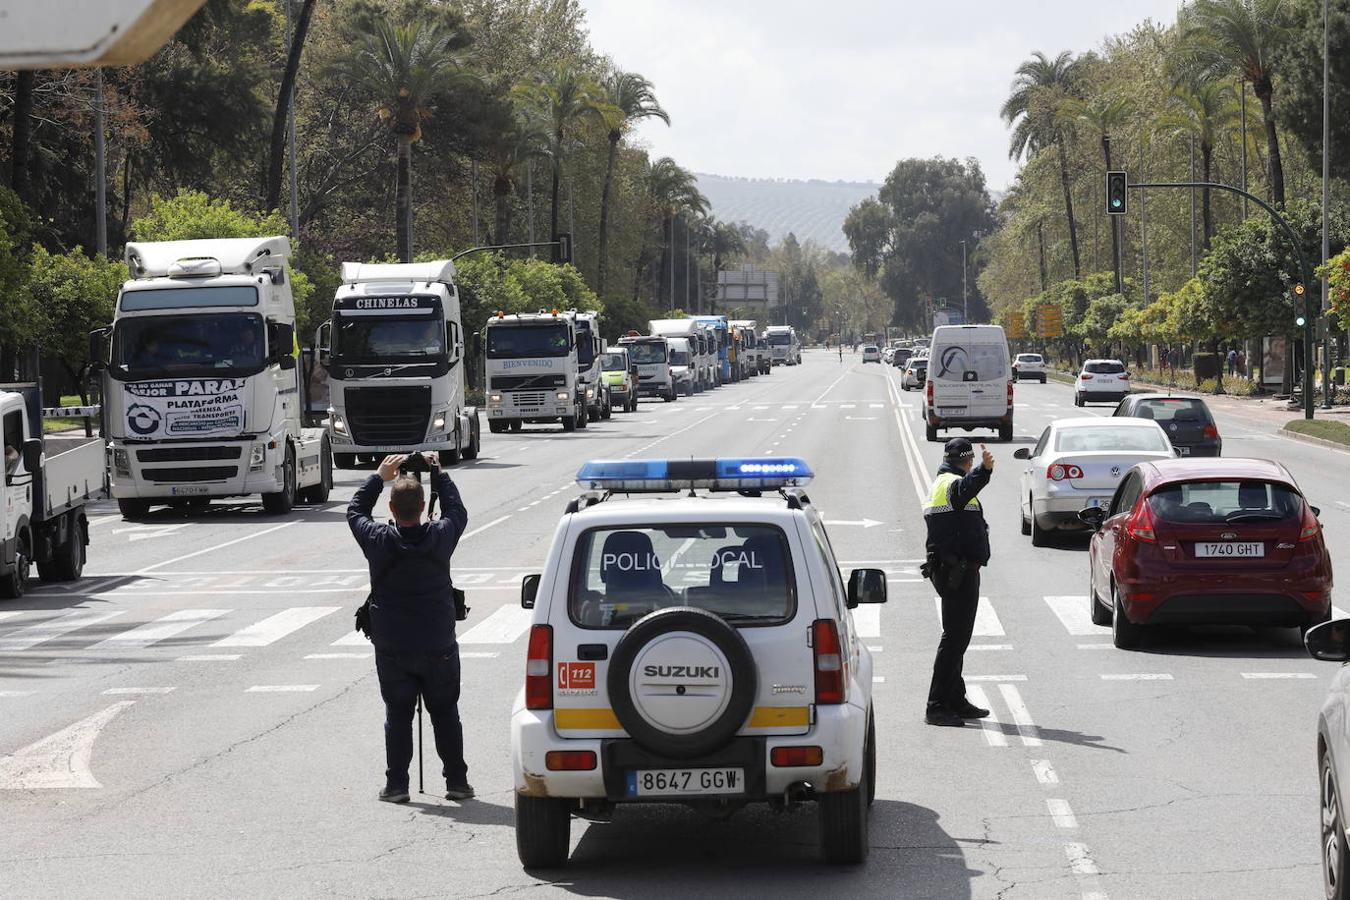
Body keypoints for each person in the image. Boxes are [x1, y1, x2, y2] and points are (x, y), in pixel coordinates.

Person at [348, 452, 471, 803]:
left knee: (398, 715)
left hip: (393, 646)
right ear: (421, 506)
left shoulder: (378, 540)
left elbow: (354, 512)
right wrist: (438, 474)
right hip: (438, 644)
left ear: (391, 507)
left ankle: (397, 784)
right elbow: (457, 512)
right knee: (445, 712)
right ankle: (457, 782)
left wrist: (378, 476)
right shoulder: (440, 536)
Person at [922, 438, 994, 727]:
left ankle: (955, 698)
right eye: (971, 461)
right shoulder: (951, 483)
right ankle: (936, 705)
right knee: (954, 639)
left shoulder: (943, 481)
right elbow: (963, 492)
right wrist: (984, 471)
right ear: (966, 461)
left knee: (957, 638)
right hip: (957, 572)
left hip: (956, 570)